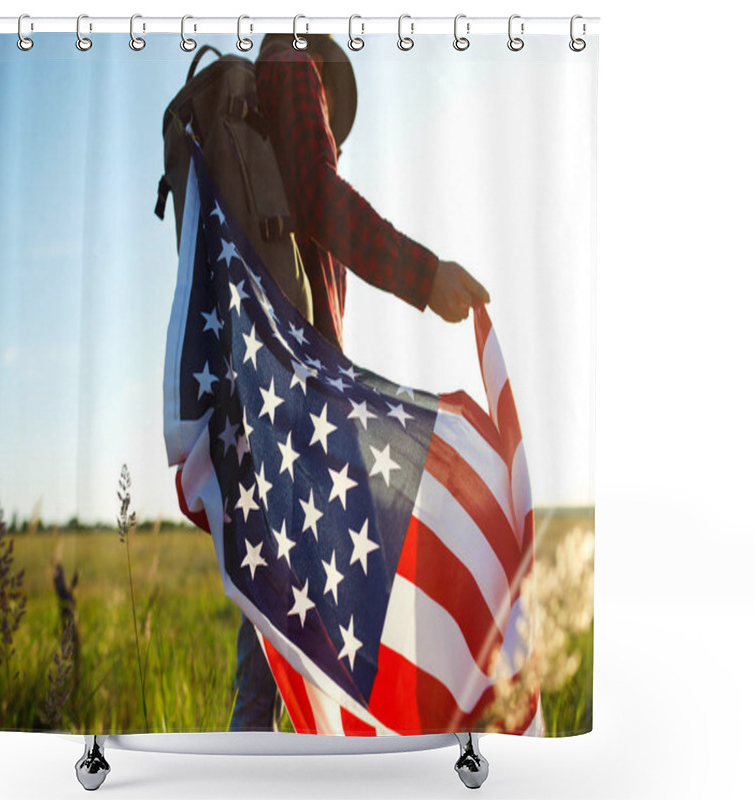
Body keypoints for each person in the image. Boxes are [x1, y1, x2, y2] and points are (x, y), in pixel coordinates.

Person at [228, 33, 490, 732]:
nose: (331, 133)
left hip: (269, 397)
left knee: (275, 635)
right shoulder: (293, 62)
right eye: (330, 117)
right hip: (298, 403)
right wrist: (424, 275)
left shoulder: (261, 118)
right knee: (298, 642)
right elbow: (319, 194)